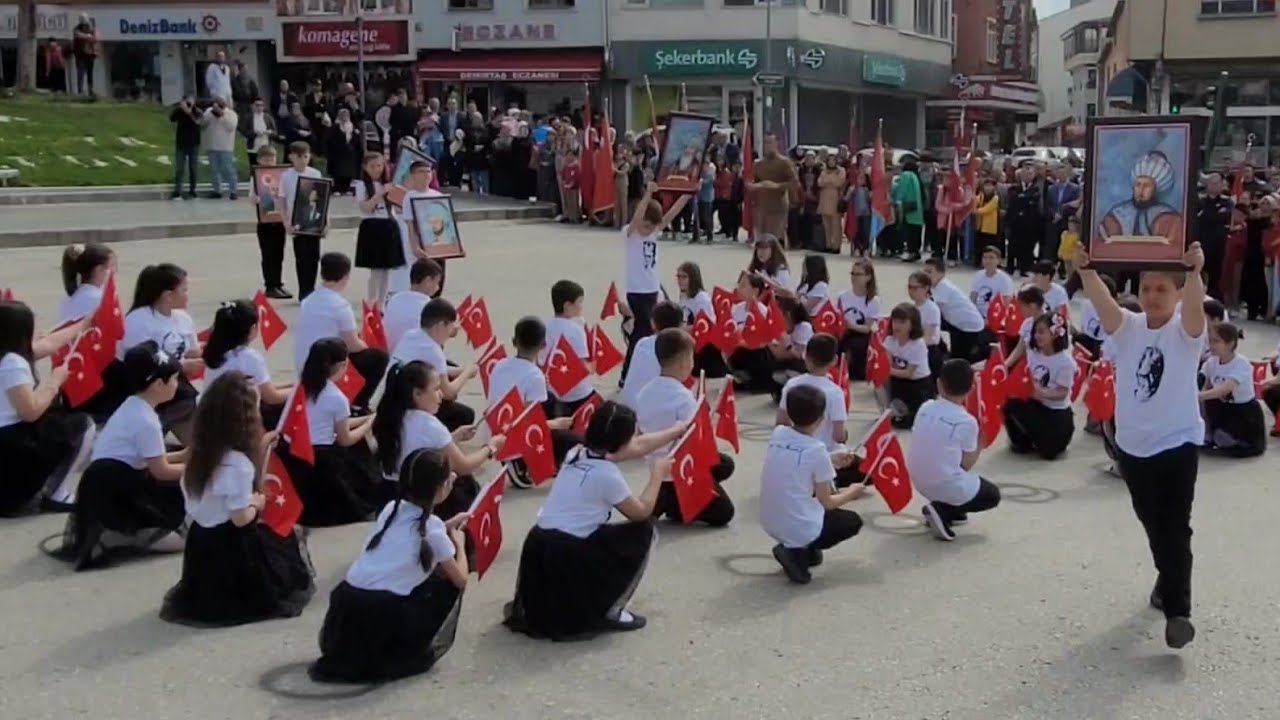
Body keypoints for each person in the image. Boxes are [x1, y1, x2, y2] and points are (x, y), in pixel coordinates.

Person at [1074, 241, 1206, 650]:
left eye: (1162, 289)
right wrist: (1085, 269)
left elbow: (1197, 312)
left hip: (1177, 446)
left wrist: (1196, 272)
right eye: (1147, 289)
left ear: (1177, 294)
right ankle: (1167, 580)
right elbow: (1102, 301)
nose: (1152, 297)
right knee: (1154, 526)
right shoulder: (1129, 327)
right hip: (1133, 449)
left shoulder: (1185, 333)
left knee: (1175, 527)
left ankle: (1178, 613)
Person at [503, 401, 686, 639]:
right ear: (619, 443)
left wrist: (676, 430)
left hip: (538, 544)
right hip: (566, 551)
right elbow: (640, 512)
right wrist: (657, 475)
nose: (636, 440)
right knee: (644, 531)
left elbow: (638, 446)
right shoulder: (606, 474)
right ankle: (611, 610)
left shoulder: (575, 452)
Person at [159, 372, 314, 626]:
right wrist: (258, 502)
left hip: (201, 541)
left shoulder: (200, 454)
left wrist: (263, 446)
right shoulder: (237, 465)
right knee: (286, 550)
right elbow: (241, 518)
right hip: (232, 546)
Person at [310, 448, 470, 684]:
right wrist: (459, 544)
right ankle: (405, 647)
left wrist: (445, 528)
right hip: (382, 612)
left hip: (348, 602)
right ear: (441, 488)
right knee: (445, 585)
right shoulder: (433, 527)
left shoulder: (391, 508)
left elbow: (412, 535)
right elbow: (461, 579)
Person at [65, 343, 188, 570]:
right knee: (182, 540)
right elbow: (160, 470)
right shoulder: (147, 421)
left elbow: (150, 457)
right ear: (158, 384)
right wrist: (199, 469)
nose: (177, 385)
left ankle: (114, 533)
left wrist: (185, 455)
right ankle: (120, 536)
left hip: (107, 482)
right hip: (120, 489)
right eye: (174, 379)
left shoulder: (133, 405)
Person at [761, 384, 868, 584]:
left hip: (770, 521)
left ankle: (802, 549)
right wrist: (853, 492)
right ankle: (795, 554)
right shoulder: (816, 449)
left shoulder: (779, 434)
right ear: (821, 419)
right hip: (798, 525)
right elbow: (827, 501)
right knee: (851, 521)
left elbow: (798, 460)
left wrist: (831, 460)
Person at [372, 361, 503, 516]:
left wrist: (453, 437)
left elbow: (416, 446)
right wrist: (490, 448)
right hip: (424, 496)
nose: (441, 395)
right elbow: (464, 466)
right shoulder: (429, 425)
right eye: (435, 389)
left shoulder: (389, 417)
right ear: (417, 393)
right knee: (465, 484)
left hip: (391, 495)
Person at [635, 328, 736, 526]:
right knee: (725, 512)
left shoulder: (644, 392)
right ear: (683, 362)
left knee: (725, 464)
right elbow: (694, 444)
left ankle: (665, 496)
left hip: (656, 465)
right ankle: (676, 502)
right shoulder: (682, 398)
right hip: (680, 471)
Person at [0, 301, 94, 515]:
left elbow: (51, 342)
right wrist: (55, 382)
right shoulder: (12, 362)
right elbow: (30, 411)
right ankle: (57, 493)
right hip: (13, 443)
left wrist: (83, 324)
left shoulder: (7, 353)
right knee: (81, 426)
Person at [99, 264, 203, 439]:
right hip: (143, 385)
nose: (188, 295)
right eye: (184, 290)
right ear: (168, 296)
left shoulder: (183, 319)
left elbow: (193, 351)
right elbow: (141, 365)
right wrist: (181, 366)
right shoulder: (138, 321)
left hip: (173, 382)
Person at [287, 338, 380, 527]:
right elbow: (345, 438)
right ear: (342, 365)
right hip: (323, 459)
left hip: (297, 454)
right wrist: (369, 424)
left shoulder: (301, 387)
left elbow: (334, 422)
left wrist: (365, 419)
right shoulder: (336, 397)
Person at [909, 358, 1002, 541]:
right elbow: (965, 464)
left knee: (951, 471)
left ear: (939, 384)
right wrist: (981, 443)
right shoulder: (966, 421)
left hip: (919, 480)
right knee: (991, 495)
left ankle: (948, 507)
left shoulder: (925, 407)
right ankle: (943, 509)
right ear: (971, 388)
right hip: (942, 482)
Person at [485, 317, 583, 489]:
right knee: (574, 440)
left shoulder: (500, 365)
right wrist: (556, 424)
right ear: (543, 345)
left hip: (498, 427)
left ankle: (529, 457)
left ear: (514, 342)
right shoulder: (534, 375)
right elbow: (527, 421)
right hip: (514, 434)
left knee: (549, 399)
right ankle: (524, 463)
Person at [293, 252, 389, 412]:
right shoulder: (340, 305)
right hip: (324, 363)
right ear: (345, 277)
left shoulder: (308, 301)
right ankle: (359, 404)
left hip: (303, 359)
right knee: (379, 358)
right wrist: (366, 344)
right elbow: (353, 345)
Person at [620, 182, 689, 380]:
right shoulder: (630, 234)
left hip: (652, 289)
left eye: (651, 226)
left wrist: (687, 194)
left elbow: (671, 214)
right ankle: (628, 374)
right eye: (646, 224)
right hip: (637, 292)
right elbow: (638, 216)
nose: (647, 228)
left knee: (648, 333)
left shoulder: (653, 233)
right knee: (641, 334)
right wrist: (648, 193)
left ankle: (642, 371)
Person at [777, 333, 863, 487]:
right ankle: (827, 481)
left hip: (794, 449)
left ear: (805, 356)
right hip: (823, 452)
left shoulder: (791, 384)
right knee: (865, 470)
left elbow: (781, 423)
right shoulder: (834, 392)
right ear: (834, 360)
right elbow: (839, 435)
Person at [202, 300, 293, 428]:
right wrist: (301, 390)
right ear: (252, 329)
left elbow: (262, 386)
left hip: (211, 417)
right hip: (237, 422)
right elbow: (271, 397)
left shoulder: (215, 351)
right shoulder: (250, 358)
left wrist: (292, 384)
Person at [391, 298, 477, 430]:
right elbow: (448, 392)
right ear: (441, 325)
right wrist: (467, 373)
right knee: (466, 415)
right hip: (407, 406)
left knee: (447, 374)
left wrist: (460, 370)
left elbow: (437, 368)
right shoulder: (433, 350)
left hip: (394, 395)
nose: (451, 332)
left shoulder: (411, 335)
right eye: (450, 327)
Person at [1002, 313, 1076, 459]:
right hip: (1036, 403)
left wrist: (1040, 392)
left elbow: (1062, 393)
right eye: (1036, 331)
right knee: (1008, 404)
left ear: (1054, 333)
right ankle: (1021, 441)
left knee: (1049, 453)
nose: (1037, 336)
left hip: (1056, 412)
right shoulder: (1033, 353)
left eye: (1042, 332)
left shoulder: (1065, 362)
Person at [1198, 322, 1265, 457]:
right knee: (1204, 402)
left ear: (1230, 344)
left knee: (1225, 440)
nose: (1212, 345)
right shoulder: (1212, 362)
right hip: (1222, 409)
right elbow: (1201, 381)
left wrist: (1197, 395)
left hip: (1243, 413)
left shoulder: (1241, 363)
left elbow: (1226, 389)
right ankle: (1207, 437)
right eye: (1210, 341)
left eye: (1217, 341)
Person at [1098, 152, 1184, 246]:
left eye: (1147, 186)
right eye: (1138, 185)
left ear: (1156, 189)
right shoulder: (1116, 215)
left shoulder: (1169, 218)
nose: (1141, 190)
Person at [353, 152, 403, 308]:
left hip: (388, 224)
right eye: (372, 166)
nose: (376, 169)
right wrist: (380, 193)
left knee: (387, 269)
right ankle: (372, 302)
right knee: (376, 270)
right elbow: (366, 207)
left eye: (379, 166)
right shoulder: (361, 185)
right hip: (372, 225)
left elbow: (398, 205)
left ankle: (381, 304)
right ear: (365, 167)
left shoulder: (388, 183)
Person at [542, 280, 597, 418]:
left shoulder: (545, 326)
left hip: (553, 391)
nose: (581, 307)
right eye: (579, 302)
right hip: (578, 394)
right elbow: (583, 367)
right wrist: (595, 364)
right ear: (567, 305)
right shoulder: (575, 330)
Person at [280, 142, 324, 299]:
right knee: (301, 256)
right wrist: (286, 222)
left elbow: (321, 199)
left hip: (313, 221)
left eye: (306, 156)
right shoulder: (286, 176)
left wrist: (325, 222)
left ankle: (311, 288)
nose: (303, 160)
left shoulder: (315, 174)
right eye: (299, 156)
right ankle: (303, 290)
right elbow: (282, 201)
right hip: (296, 221)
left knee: (314, 256)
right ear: (291, 156)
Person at [398, 160, 448, 296]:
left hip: (437, 244)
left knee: (438, 279)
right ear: (413, 175)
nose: (426, 175)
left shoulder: (437, 195)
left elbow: (445, 224)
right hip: (422, 247)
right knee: (424, 280)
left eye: (428, 171)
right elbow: (410, 225)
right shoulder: (409, 196)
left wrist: (452, 246)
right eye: (422, 172)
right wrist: (415, 247)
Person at [620, 301, 683, 409]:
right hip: (649, 409)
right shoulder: (676, 349)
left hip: (628, 403)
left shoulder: (642, 343)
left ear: (653, 323)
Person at [923, 257, 987, 362]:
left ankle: (986, 351)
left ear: (941, 273)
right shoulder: (934, 287)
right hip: (956, 324)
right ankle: (941, 349)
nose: (925, 276)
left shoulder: (943, 287)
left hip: (968, 327)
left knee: (959, 360)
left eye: (929, 272)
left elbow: (930, 309)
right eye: (924, 272)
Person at [250, 145, 292, 300]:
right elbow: (252, 197)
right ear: (259, 160)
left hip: (279, 220)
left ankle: (278, 283)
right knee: (268, 254)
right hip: (265, 221)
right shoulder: (256, 177)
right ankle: (270, 285)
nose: (269, 161)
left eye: (272, 158)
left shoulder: (281, 175)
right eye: (266, 158)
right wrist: (255, 200)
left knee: (278, 254)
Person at [883, 302, 933, 428]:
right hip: (898, 381)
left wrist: (886, 370)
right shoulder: (890, 340)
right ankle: (887, 408)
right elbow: (886, 363)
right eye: (895, 321)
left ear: (913, 324)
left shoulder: (918, 344)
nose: (897, 326)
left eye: (902, 322)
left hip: (918, 385)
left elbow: (909, 373)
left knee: (912, 421)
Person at [675, 262, 726, 378]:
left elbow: (706, 326)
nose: (680, 280)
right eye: (678, 277)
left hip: (705, 345)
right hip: (688, 337)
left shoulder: (701, 298)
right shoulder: (684, 296)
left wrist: (680, 329)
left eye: (684, 277)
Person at [747, 134, 799, 239]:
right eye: (765, 143)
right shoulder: (759, 164)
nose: (767, 145)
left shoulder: (784, 162)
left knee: (775, 238)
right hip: (762, 207)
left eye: (770, 142)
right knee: (763, 239)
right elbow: (754, 181)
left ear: (776, 144)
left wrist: (777, 186)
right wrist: (752, 186)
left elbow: (795, 183)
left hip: (778, 207)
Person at [384, 259, 443, 351]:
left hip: (390, 353)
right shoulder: (429, 307)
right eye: (437, 282)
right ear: (428, 281)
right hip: (411, 358)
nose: (438, 287)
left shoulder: (395, 298)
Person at [838, 257, 880, 381]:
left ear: (868, 277)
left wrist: (850, 325)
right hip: (843, 331)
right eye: (853, 273)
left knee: (854, 345)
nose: (854, 277)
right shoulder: (843, 296)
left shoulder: (873, 300)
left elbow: (867, 328)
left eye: (859, 274)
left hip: (860, 333)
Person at [1197, 173, 1233, 301]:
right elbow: (1199, 218)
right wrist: (1211, 216)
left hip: (1219, 244)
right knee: (1198, 273)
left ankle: (1214, 301)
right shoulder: (1200, 201)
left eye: (1217, 183)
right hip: (1202, 242)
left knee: (1216, 275)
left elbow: (1223, 217)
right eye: (1211, 183)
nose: (1214, 186)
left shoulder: (1227, 202)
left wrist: (1207, 215)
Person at [59, 242, 114, 324]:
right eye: (111, 266)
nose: (114, 271)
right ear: (99, 269)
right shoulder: (102, 299)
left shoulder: (65, 299)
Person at [969, 245, 1014, 344]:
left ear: (998, 260)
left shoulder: (1004, 280)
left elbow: (1006, 306)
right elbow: (972, 299)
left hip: (994, 318)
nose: (988, 261)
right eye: (985, 257)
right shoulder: (977, 276)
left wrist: (988, 321)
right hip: (978, 315)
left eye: (991, 258)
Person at [1006, 165, 1043, 276]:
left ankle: (1024, 268)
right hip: (1015, 223)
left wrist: (1023, 198)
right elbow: (1013, 202)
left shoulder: (1036, 189)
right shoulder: (1014, 188)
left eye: (1030, 174)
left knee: (1027, 247)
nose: (1027, 176)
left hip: (1030, 224)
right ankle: (1010, 268)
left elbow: (1033, 200)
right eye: (1025, 173)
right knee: (1012, 246)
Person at [907, 271, 945, 377]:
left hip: (929, 352)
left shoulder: (931, 309)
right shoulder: (912, 308)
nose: (911, 291)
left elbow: (928, 337)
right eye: (909, 287)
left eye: (915, 288)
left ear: (926, 288)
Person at [202, 98, 239, 200]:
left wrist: (222, 116)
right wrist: (211, 114)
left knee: (228, 169)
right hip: (212, 146)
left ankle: (233, 191)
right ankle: (217, 190)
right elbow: (203, 123)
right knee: (214, 170)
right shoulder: (209, 112)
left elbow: (231, 127)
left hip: (226, 147)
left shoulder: (231, 114)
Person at [1002, 286, 1046, 371]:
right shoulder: (1027, 323)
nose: (1020, 310)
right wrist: (1004, 365)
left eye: (1022, 306)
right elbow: (1019, 349)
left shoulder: (1050, 323)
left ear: (1032, 306)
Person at [169, 95, 202, 200]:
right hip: (181, 144)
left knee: (193, 168)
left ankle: (193, 191)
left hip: (194, 144)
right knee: (179, 169)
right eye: (186, 101)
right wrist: (180, 108)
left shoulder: (197, 111)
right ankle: (177, 191)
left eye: (190, 101)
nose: (188, 103)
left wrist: (189, 111)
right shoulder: (179, 111)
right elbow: (171, 118)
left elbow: (198, 122)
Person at [893, 159, 925, 261]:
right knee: (916, 232)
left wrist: (897, 199)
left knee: (909, 231)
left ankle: (911, 252)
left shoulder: (906, 175)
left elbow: (903, 189)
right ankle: (915, 252)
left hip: (908, 209)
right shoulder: (916, 176)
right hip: (917, 209)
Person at [326, 108, 362, 195]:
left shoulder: (352, 127)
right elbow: (329, 140)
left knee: (348, 172)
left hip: (350, 154)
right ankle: (337, 189)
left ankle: (346, 188)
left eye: (346, 115)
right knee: (338, 172)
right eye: (343, 115)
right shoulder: (335, 127)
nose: (345, 117)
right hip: (338, 154)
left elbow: (357, 140)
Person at [239, 97, 279, 169]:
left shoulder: (268, 117)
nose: (259, 107)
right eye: (257, 105)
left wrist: (270, 132)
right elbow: (244, 132)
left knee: (267, 167)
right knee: (253, 168)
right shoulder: (248, 117)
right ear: (253, 106)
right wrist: (255, 133)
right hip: (253, 147)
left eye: (261, 105)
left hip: (266, 147)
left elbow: (275, 132)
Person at [818, 154, 847, 253]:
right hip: (824, 199)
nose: (831, 162)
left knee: (836, 225)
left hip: (835, 199)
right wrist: (831, 180)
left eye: (833, 160)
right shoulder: (824, 171)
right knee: (826, 224)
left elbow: (839, 182)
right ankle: (828, 244)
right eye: (829, 160)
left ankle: (836, 246)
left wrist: (828, 181)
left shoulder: (841, 170)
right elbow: (819, 182)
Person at [71, 14, 98, 97]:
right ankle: (80, 92)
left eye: (86, 23)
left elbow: (95, 38)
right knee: (80, 74)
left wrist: (94, 50)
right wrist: (87, 36)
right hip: (80, 55)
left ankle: (91, 90)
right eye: (84, 23)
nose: (85, 25)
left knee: (90, 73)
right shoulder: (77, 29)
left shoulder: (91, 29)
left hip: (90, 54)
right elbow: (77, 34)